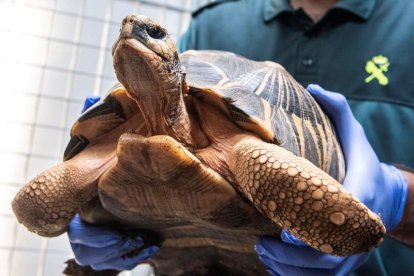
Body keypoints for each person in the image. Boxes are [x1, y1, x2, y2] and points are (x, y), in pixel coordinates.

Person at [67, 0, 414, 274]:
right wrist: (77, 200)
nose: (131, 30)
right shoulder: (215, 24)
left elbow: (251, 154)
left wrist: (398, 198)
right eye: (124, 30)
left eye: (152, 32)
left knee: (257, 162)